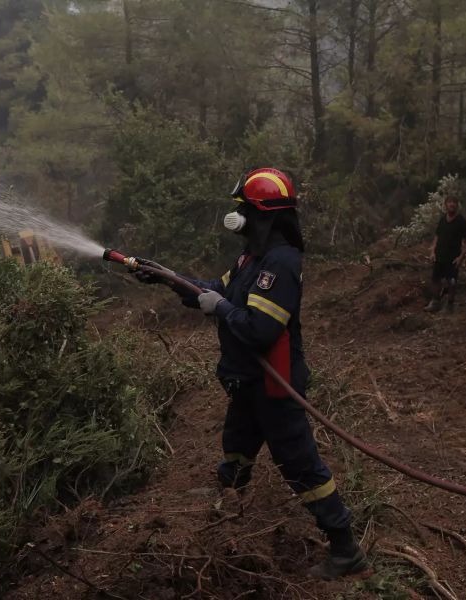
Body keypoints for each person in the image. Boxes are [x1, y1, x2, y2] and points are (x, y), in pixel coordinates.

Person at [132, 167, 367, 580]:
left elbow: (260, 328)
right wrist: (167, 276)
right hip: (247, 382)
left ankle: (345, 548)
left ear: (264, 215)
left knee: (300, 464)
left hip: (275, 386)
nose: (238, 219)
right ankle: (230, 505)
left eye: (244, 210)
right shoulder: (251, 258)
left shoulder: (281, 263)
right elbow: (214, 289)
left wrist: (219, 308)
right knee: (237, 444)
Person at [424, 193, 466, 313]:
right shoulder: (443, 219)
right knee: (435, 279)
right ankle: (435, 302)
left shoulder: (462, 221)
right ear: (445, 205)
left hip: (453, 257)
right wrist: (433, 250)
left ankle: (449, 305)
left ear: (457, 205)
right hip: (439, 256)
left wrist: (461, 257)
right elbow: (437, 236)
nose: (452, 204)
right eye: (449, 202)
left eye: (454, 202)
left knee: (452, 281)